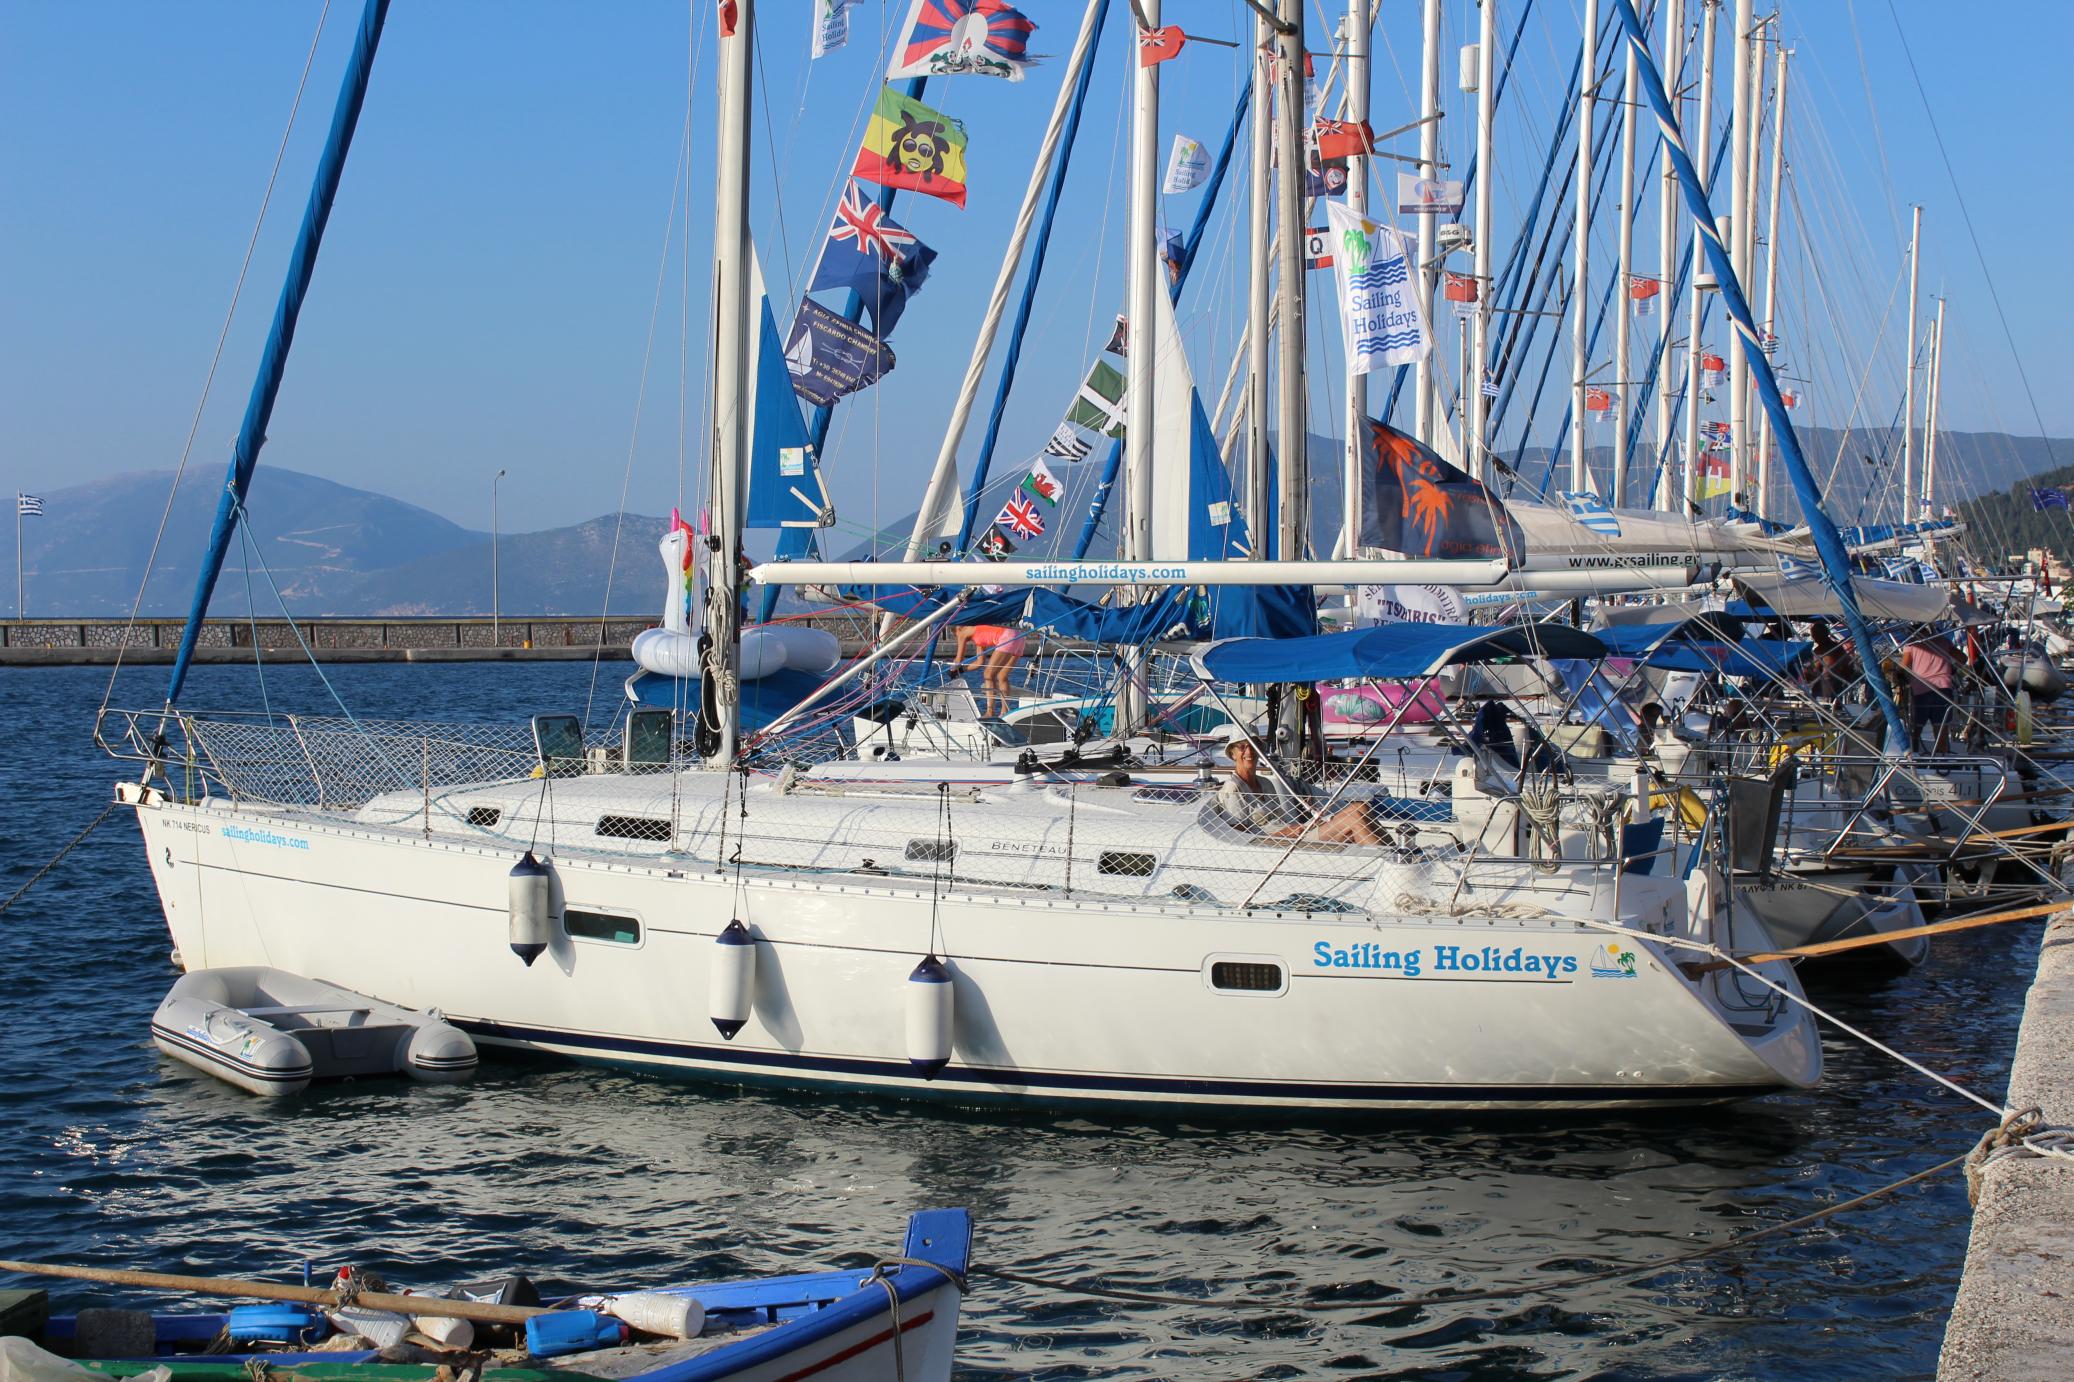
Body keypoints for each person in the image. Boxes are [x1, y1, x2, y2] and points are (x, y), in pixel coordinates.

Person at [1218, 741, 1384, 845]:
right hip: (1280, 844)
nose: (1249, 751)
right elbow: (1238, 835)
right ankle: (1388, 867)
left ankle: (1393, 854)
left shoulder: (1265, 783)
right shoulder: (1233, 788)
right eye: (1242, 747)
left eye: (1253, 745)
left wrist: (1305, 823)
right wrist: (1283, 834)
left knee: (1360, 808)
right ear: (1233, 754)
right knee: (1354, 819)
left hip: (1295, 832)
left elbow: (1279, 817)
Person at [949, 623, 1028, 718]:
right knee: (1002, 676)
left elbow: (959, 659)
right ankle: (1004, 712)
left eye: (955, 635)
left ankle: (990, 712)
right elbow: (980, 662)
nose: (957, 638)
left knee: (988, 674)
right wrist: (961, 670)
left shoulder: (963, 632)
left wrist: (951, 669)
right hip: (1019, 637)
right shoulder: (978, 633)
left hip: (1007, 636)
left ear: (958, 629)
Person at [1900, 630, 1960, 754]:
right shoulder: (1944, 641)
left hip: (1921, 688)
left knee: (1915, 730)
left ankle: (1913, 756)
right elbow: (1963, 658)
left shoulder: (1911, 644)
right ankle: (1940, 760)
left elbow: (1903, 667)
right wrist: (1952, 668)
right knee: (1941, 729)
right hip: (1943, 688)